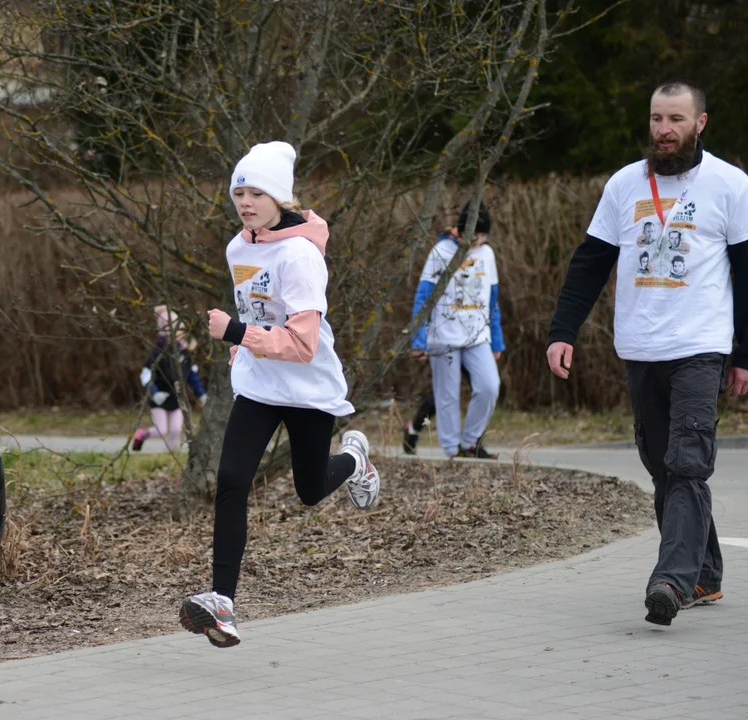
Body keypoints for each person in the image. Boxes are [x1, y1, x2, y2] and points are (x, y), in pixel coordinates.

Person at [547, 81, 748, 626]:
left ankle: (671, 581)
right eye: (655, 120)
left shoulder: (729, 185)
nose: (663, 131)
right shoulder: (625, 184)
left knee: (688, 463)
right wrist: (563, 330)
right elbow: (589, 262)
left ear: (701, 123)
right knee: (663, 468)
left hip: (701, 347)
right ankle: (707, 574)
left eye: (675, 119)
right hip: (641, 347)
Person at [178, 141, 380, 648]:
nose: (245, 201)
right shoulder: (237, 247)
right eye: (238, 191)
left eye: (257, 192)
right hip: (261, 385)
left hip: (306, 388)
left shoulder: (300, 256)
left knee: (310, 490)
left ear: (280, 198)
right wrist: (240, 350)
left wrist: (234, 335)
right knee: (230, 479)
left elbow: (303, 343)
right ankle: (222, 602)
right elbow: (256, 307)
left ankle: (355, 461)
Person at [407, 201, 505, 459]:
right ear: (463, 230)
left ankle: (470, 442)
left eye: (484, 236)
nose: (480, 240)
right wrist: (419, 339)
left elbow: (492, 299)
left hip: (477, 336)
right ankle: (453, 451)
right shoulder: (441, 252)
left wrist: (496, 340)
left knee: (489, 386)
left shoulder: (487, 254)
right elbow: (423, 297)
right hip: (444, 336)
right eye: (477, 235)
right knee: (447, 395)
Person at [131, 305, 206, 452]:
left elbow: (191, 375)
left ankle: (170, 454)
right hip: (159, 397)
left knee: (176, 429)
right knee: (161, 430)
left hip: (177, 398)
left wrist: (201, 394)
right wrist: (154, 392)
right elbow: (146, 374)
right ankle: (142, 434)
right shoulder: (158, 353)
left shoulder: (184, 354)